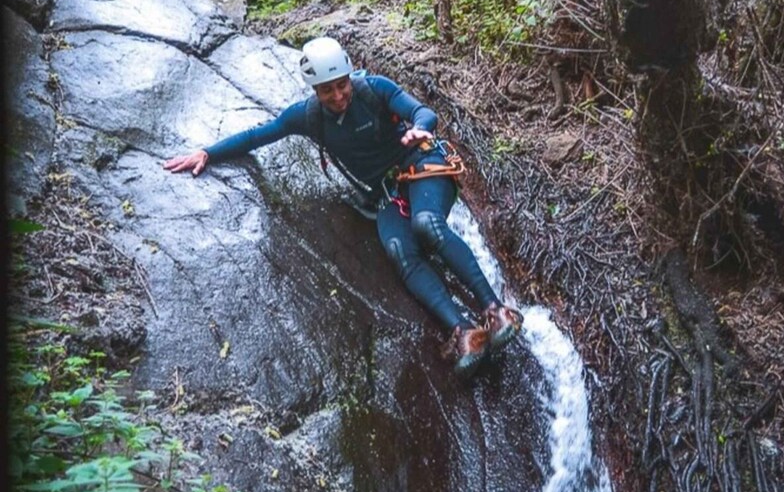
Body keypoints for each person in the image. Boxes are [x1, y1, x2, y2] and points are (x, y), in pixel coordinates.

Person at [164, 36, 522, 380]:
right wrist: (208, 153)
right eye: (326, 90)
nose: (337, 96)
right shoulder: (307, 117)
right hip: (388, 190)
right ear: (314, 91)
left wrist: (420, 130)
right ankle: (463, 333)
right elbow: (260, 134)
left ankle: (496, 310)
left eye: (341, 85)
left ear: (349, 76)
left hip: (424, 164)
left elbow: (421, 112)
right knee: (400, 251)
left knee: (426, 224)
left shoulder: (374, 88)